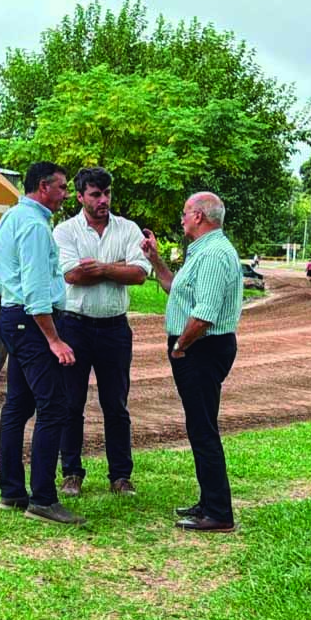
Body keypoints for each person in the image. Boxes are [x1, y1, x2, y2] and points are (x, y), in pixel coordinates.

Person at [140, 192, 242, 533]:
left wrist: (181, 346)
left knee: (203, 429)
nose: (181, 218)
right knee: (200, 426)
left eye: (185, 212)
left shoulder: (213, 254)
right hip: (199, 347)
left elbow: (205, 314)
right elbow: (177, 290)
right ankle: (209, 501)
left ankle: (218, 513)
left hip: (202, 348)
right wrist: (155, 260)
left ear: (199, 216)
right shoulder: (202, 251)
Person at [0, 162, 85, 526]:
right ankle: (43, 498)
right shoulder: (34, 227)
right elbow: (35, 289)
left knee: (17, 404)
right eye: (62, 188)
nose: (65, 195)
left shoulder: (10, 218)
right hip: (32, 322)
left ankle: (12, 491)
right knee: (54, 407)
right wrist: (54, 339)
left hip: (13, 317)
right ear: (43, 187)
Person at [53, 167, 151, 498]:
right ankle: (71, 473)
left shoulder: (128, 228)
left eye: (107, 193)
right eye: (95, 194)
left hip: (114, 328)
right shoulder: (65, 231)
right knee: (71, 403)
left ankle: (121, 476)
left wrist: (103, 268)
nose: (103, 200)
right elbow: (72, 275)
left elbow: (139, 274)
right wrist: (117, 267)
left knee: (116, 403)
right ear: (80, 197)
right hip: (74, 326)